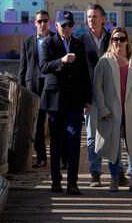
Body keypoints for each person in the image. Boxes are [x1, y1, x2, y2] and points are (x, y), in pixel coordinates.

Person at [93, 27, 132, 192]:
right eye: (115, 39)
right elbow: (97, 88)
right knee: (113, 146)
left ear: (127, 41)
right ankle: (114, 178)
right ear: (111, 41)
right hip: (111, 111)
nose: (118, 42)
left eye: (122, 38)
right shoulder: (104, 62)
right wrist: (103, 109)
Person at [39, 11, 92, 195]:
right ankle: (55, 181)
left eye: (70, 25)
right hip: (55, 101)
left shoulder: (78, 44)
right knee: (55, 142)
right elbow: (43, 67)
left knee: (74, 141)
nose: (67, 28)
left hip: (75, 102)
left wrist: (88, 99)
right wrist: (60, 61)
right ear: (56, 26)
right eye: (64, 25)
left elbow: (85, 72)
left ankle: (72, 182)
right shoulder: (48, 43)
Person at [79, 4, 127, 187]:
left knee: (114, 135)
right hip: (90, 97)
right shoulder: (80, 40)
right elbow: (79, 72)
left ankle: (118, 172)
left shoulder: (113, 39)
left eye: (95, 16)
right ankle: (95, 173)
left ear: (103, 19)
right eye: (89, 16)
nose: (91, 19)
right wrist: (83, 98)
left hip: (112, 96)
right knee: (92, 137)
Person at [18, 10, 54, 168]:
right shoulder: (27, 42)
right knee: (38, 124)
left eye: (45, 21)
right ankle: (41, 158)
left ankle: (61, 159)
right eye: (39, 21)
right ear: (35, 23)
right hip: (33, 86)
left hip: (52, 85)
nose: (42, 24)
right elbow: (22, 67)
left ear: (49, 22)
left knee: (55, 123)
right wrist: (21, 89)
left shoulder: (55, 39)